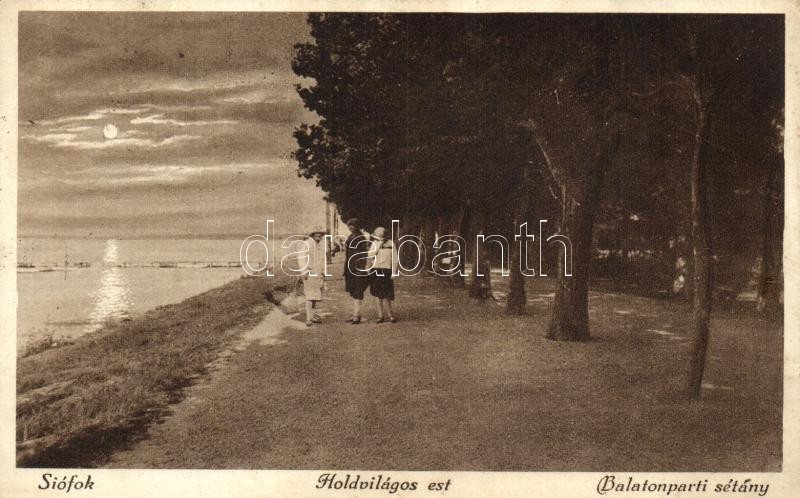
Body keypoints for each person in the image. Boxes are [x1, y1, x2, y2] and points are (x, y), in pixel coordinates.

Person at [343, 218, 371, 324]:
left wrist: (362, 267)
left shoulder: (360, 237)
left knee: (358, 291)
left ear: (357, 226)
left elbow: (364, 254)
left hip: (358, 267)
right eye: (349, 225)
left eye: (353, 225)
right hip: (350, 267)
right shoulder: (351, 236)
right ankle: (355, 313)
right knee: (353, 291)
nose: (350, 227)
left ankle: (356, 315)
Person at [367, 226, 397, 323]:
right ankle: (380, 315)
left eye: (381, 234)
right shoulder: (374, 244)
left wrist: (394, 272)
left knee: (387, 294)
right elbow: (370, 256)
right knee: (377, 294)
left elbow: (395, 259)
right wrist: (378, 245)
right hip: (376, 270)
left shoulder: (391, 243)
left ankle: (390, 314)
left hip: (386, 270)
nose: (379, 236)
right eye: (377, 234)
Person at [301, 227, 329, 327]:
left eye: (321, 235)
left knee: (315, 296)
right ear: (313, 234)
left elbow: (323, 260)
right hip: (309, 273)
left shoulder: (321, 245)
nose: (319, 236)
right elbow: (302, 257)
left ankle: (312, 315)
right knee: (309, 295)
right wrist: (304, 271)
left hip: (318, 273)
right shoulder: (307, 244)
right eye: (317, 234)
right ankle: (308, 318)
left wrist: (324, 272)